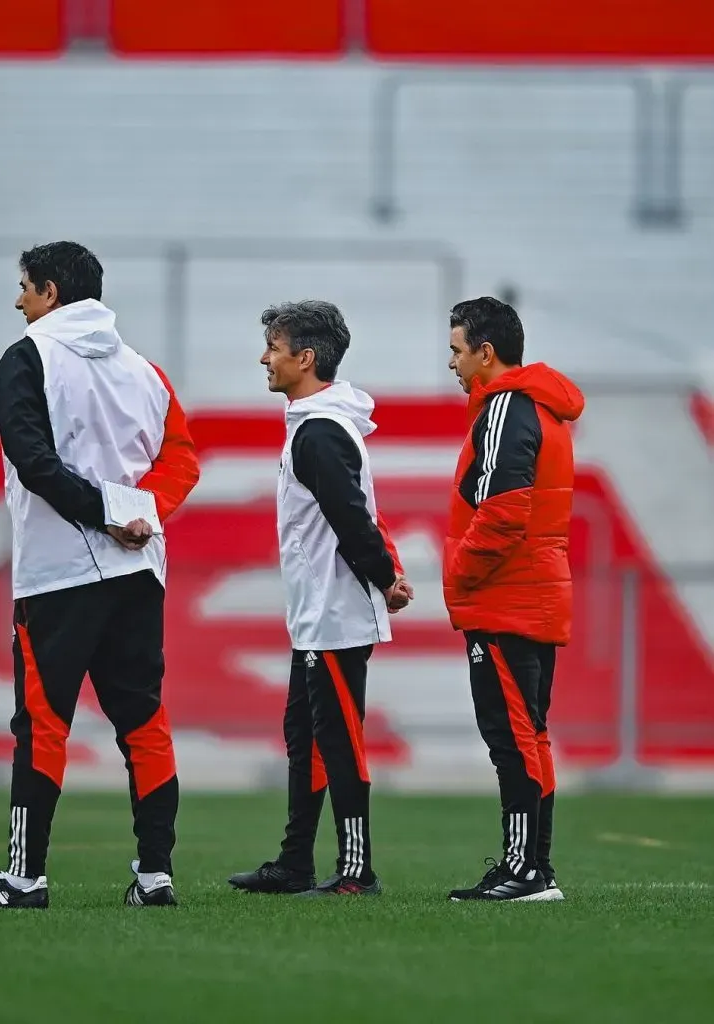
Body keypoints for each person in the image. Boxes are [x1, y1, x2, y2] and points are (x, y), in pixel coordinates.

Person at [0, 241, 200, 910]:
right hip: (140, 569)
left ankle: (24, 879)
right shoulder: (147, 371)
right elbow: (183, 460)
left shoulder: (26, 356)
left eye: (25, 287)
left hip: (58, 573)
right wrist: (136, 514)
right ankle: (155, 877)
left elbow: (32, 460)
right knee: (143, 720)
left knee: (43, 722)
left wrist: (105, 513)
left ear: (51, 291)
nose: (19, 300)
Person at [228, 300, 413, 898]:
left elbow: (351, 517)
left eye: (274, 348)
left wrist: (385, 577)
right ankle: (295, 862)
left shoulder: (319, 433)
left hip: (334, 616)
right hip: (315, 615)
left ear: (305, 358)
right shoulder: (316, 427)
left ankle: (356, 870)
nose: (264, 357)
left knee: (337, 739)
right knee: (304, 736)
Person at [444, 296, 584, 902]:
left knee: (513, 739)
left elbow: (502, 514)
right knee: (530, 734)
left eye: (456, 350)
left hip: (508, 597)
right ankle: (532, 866)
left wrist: (459, 576)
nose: (450, 363)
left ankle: (526, 870)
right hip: (532, 592)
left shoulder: (505, 406)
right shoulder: (539, 407)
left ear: (486, 352)